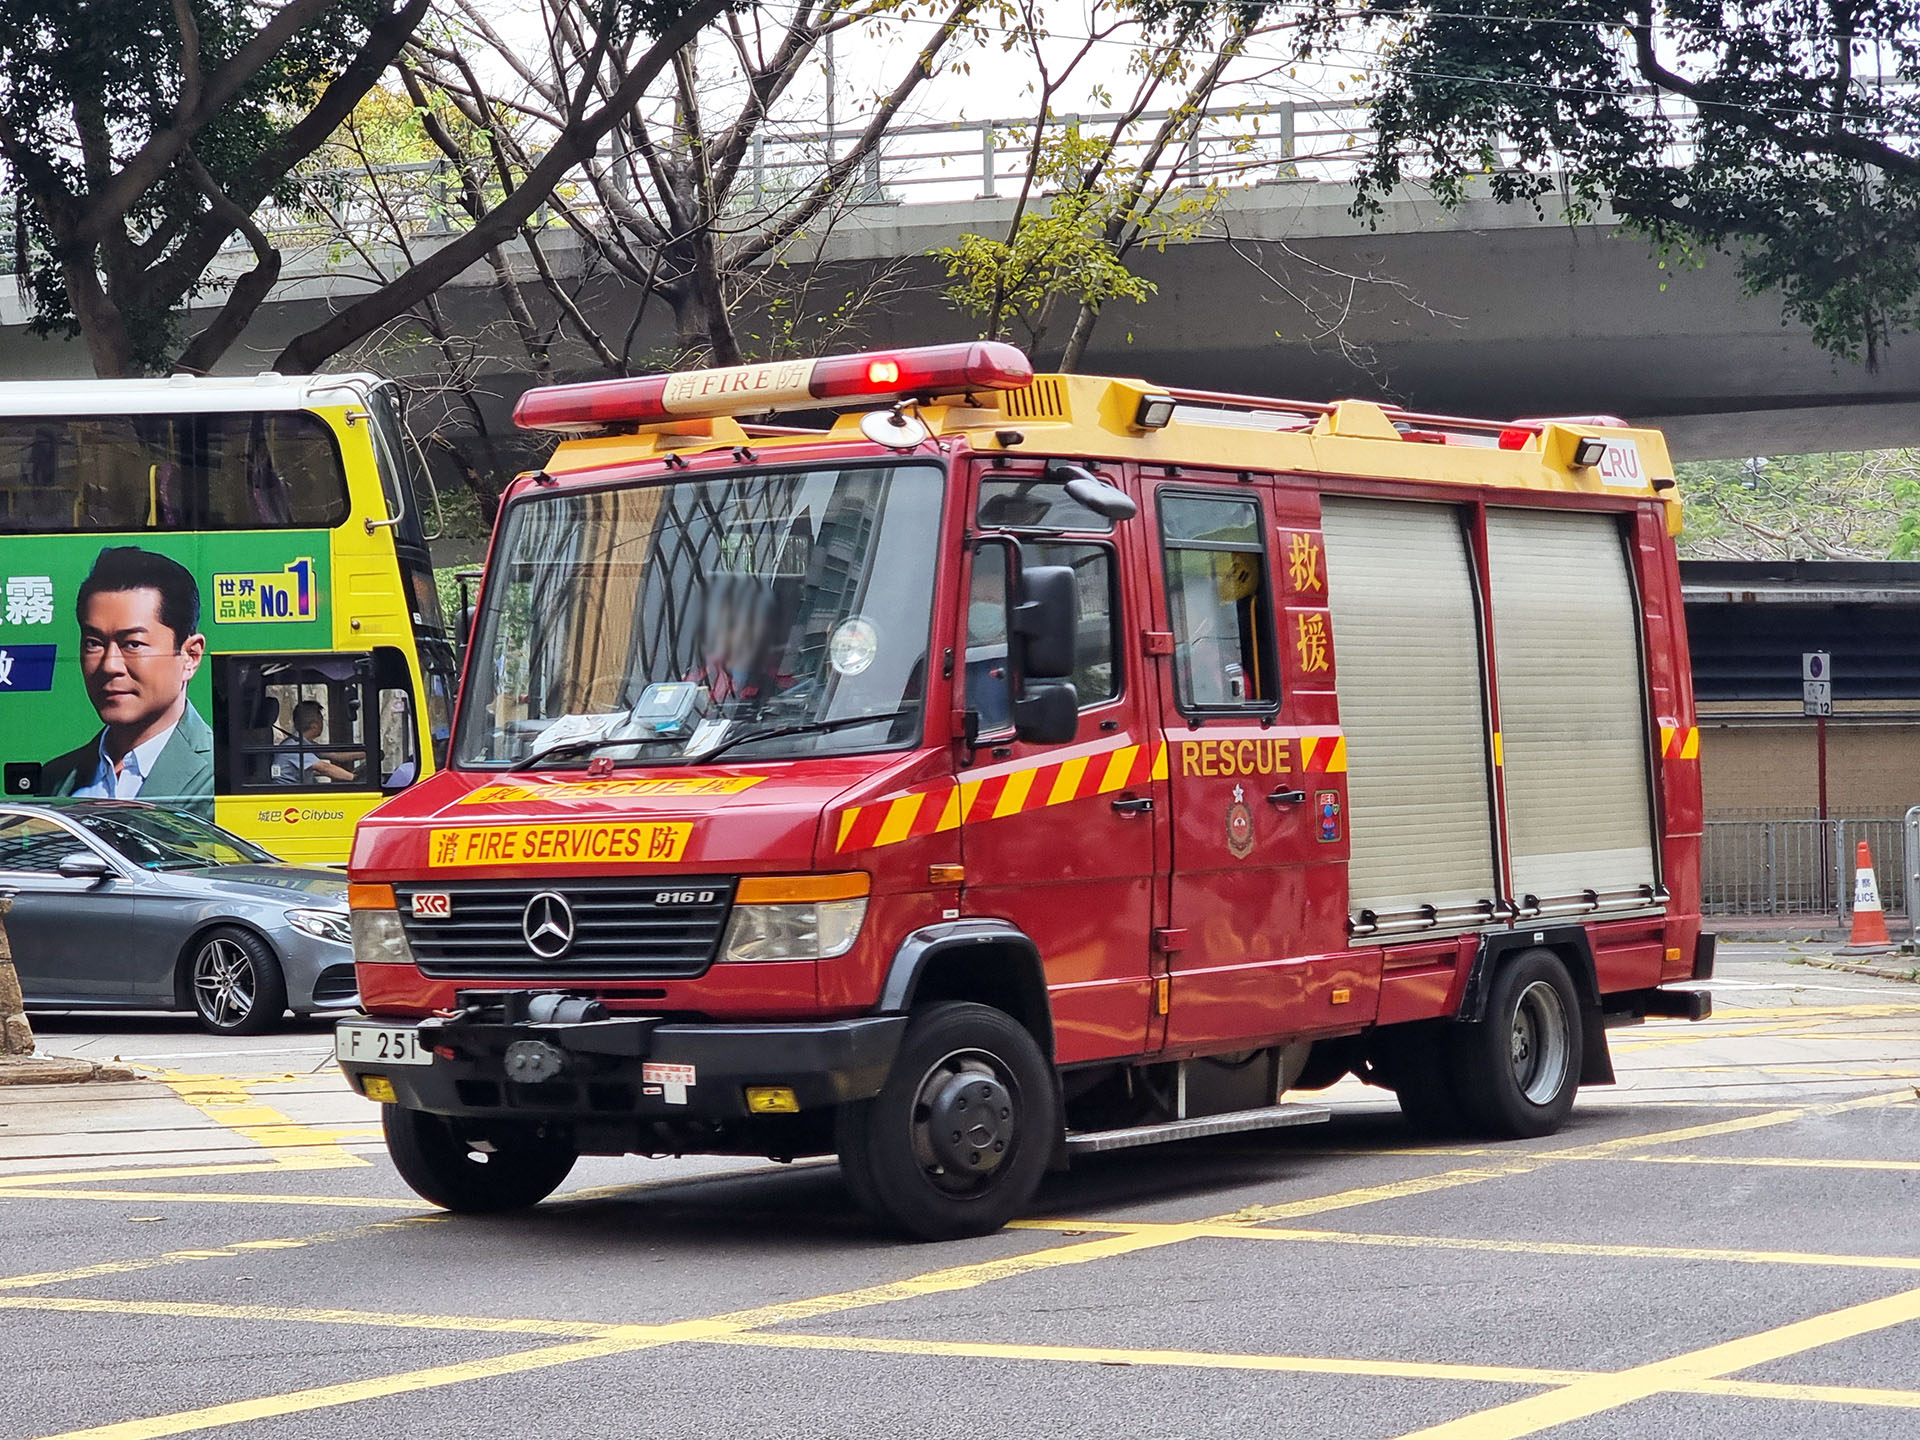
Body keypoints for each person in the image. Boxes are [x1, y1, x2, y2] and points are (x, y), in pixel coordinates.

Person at [39, 547, 213, 819]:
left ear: (190, 656)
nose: (110, 666)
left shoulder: (222, 775)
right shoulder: (56, 778)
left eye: (133, 644)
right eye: (94, 643)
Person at [272, 700, 358, 785]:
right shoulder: (294, 746)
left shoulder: (305, 743)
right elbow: (325, 768)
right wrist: (355, 778)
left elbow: (336, 755)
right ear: (314, 726)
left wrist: (366, 752)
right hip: (291, 794)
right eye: (321, 720)